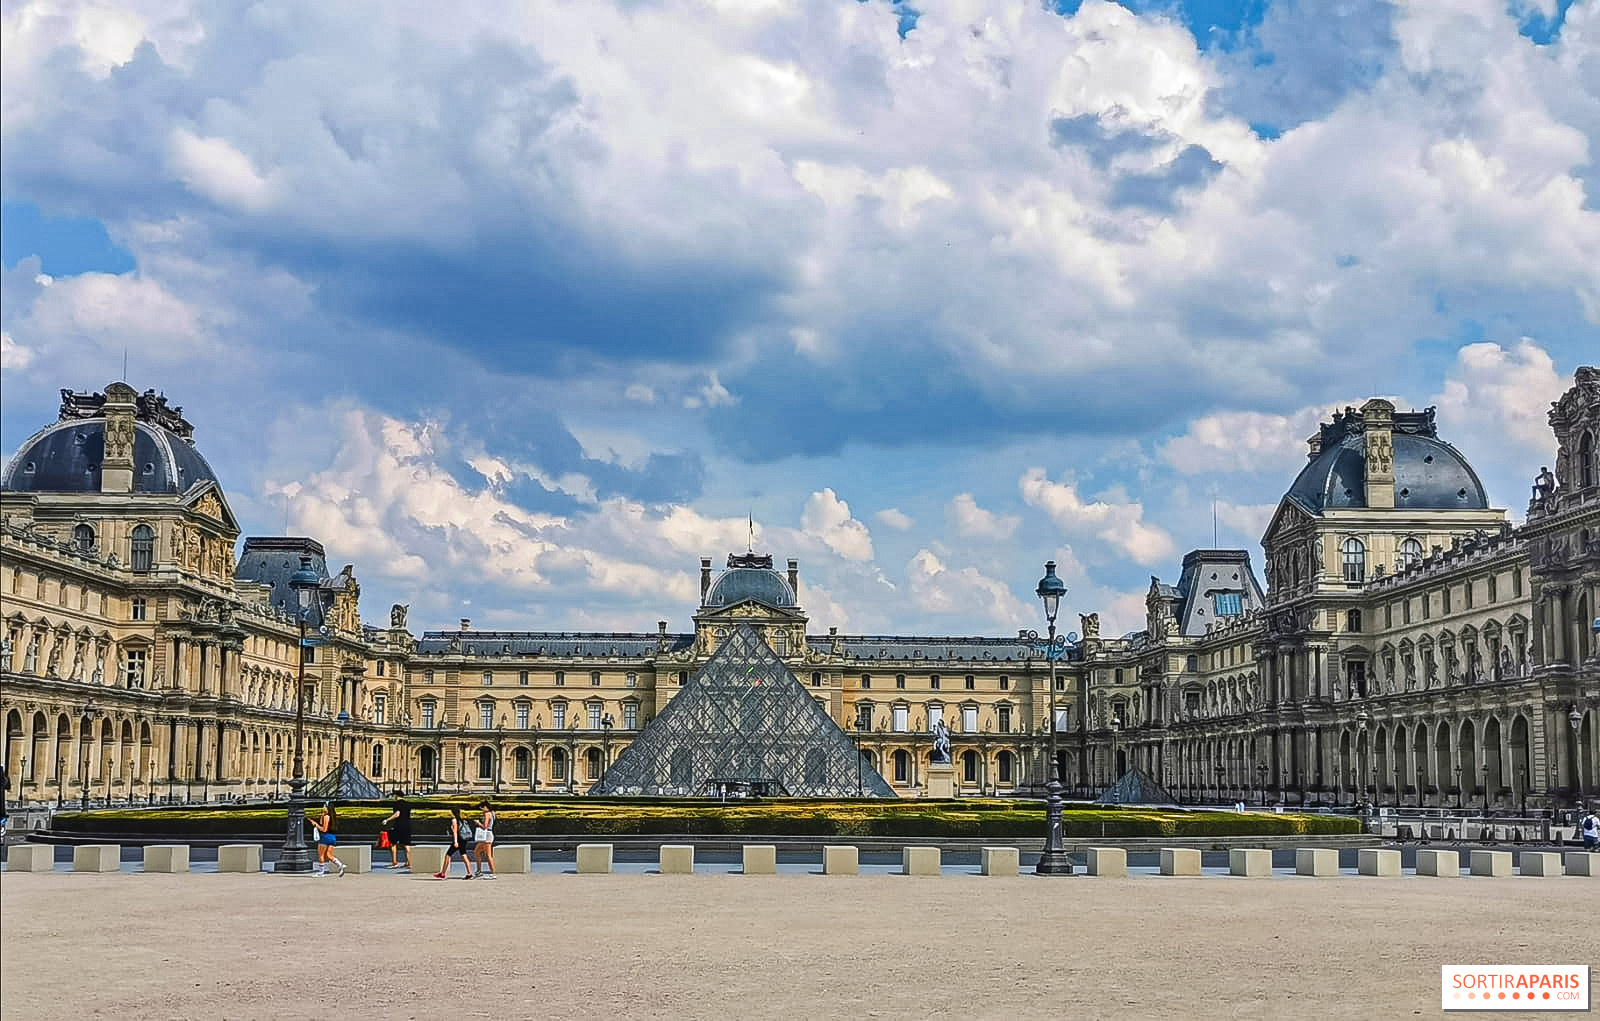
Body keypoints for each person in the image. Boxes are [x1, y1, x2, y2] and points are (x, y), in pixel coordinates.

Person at [435, 806, 476, 879]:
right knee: (464, 855)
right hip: (464, 839)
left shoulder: (454, 820)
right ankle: (469, 873)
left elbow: (455, 832)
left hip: (458, 840)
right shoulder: (462, 820)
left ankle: (443, 873)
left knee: (448, 855)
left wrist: (455, 842)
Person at [314, 802, 346, 877]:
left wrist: (316, 825)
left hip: (325, 837)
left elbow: (324, 829)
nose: (323, 808)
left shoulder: (326, 817)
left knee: (321, 855)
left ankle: (321, 872)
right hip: (332, 837)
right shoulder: (333, 817)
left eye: (324, 806)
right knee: (329, 855)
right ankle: (340, 865)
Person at [381, 796, 413, 870]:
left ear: (396, 796)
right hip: (407, 826)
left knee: (392, 843)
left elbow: (397, 814)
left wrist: (387, 820)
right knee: (407, 844)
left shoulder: (397, 804)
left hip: (398, 826)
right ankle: (408, 863)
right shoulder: (408, 804)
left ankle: (394, 862)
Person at [473, 800, 497, 879]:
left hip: (487, 835)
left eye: (482, 808)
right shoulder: (492, 813)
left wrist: (478, 823)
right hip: (488, 835)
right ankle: (479, 871)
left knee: (488, 855)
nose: (482, 810)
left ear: (486, 807)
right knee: (477, 851)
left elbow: (485, 826)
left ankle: (493, 873)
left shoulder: (487, 814)